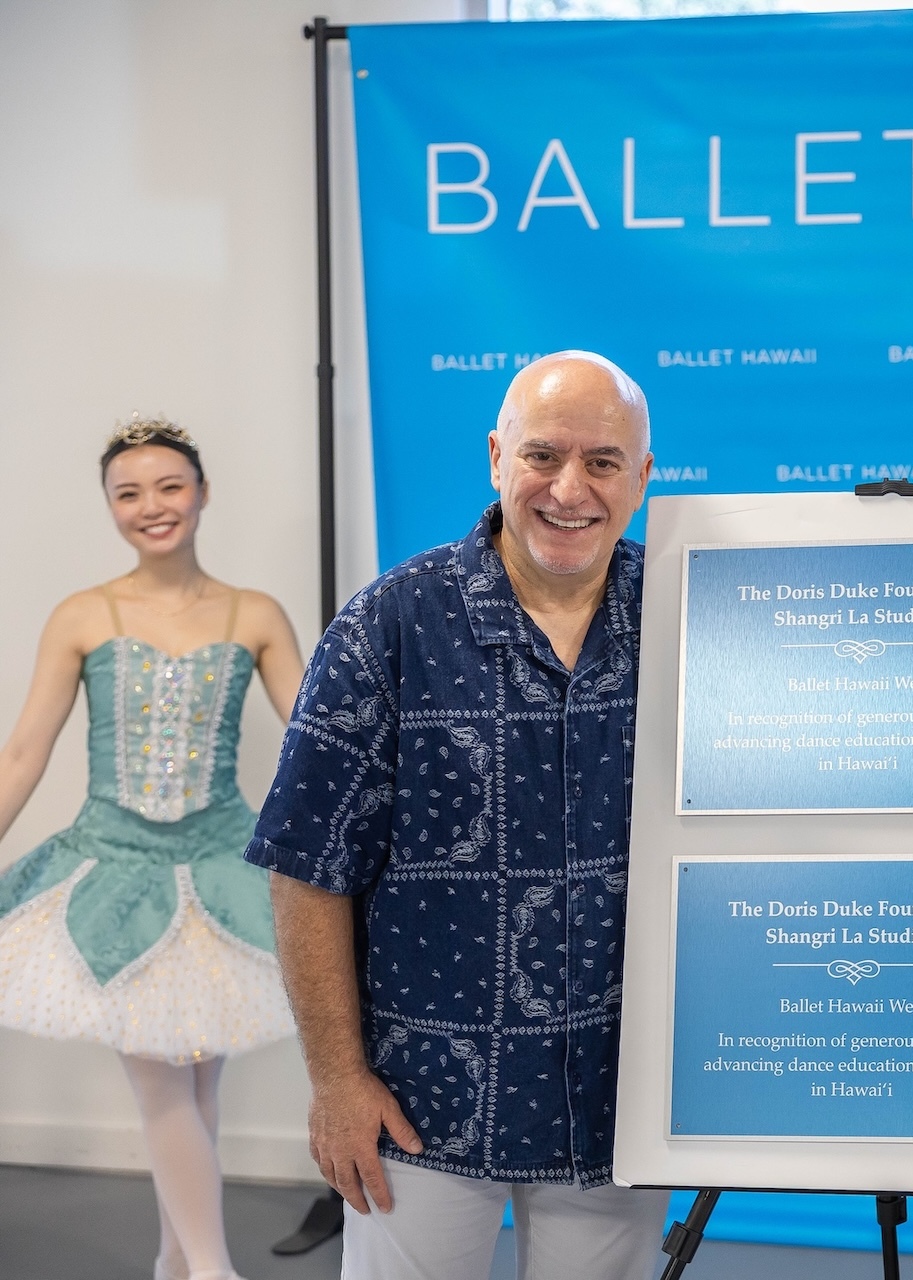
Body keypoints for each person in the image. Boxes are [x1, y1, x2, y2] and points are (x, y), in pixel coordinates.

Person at [245, 351, 668, 1280]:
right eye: (543, 455)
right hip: (418, 1099)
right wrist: (336, 1080)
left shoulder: (692, 617)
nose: (569, 489)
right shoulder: (386, 627)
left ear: (644, 475)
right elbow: (306, 865)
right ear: (494, 457)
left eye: (603, 462)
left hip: (619, 1097)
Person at [0, 416, 305, 1280]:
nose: (152, 507)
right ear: (110, 508)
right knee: (166, 1082)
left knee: (200, 1079)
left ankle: (176, 1261)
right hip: (113, 875)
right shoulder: (83, 615)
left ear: (202, 493)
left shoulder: (254, 614)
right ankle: (212, 1271)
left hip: (222, 869)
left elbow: (320, 744)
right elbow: (24, 752)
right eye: (128, 493)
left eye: (169, 486)